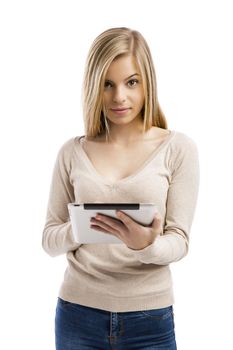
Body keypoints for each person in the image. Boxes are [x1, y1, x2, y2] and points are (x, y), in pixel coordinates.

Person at [42, 27, 200, 350]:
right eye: (107, 85)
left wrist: (147, 246)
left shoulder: (178, 149)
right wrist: (80, 230)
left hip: (149, 320)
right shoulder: (72, 153)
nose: (119, 97)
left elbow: (180, 240)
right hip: (78, 315)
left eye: (131, 82)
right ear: (94, 87)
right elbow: (48, 239)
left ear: (147, 83)